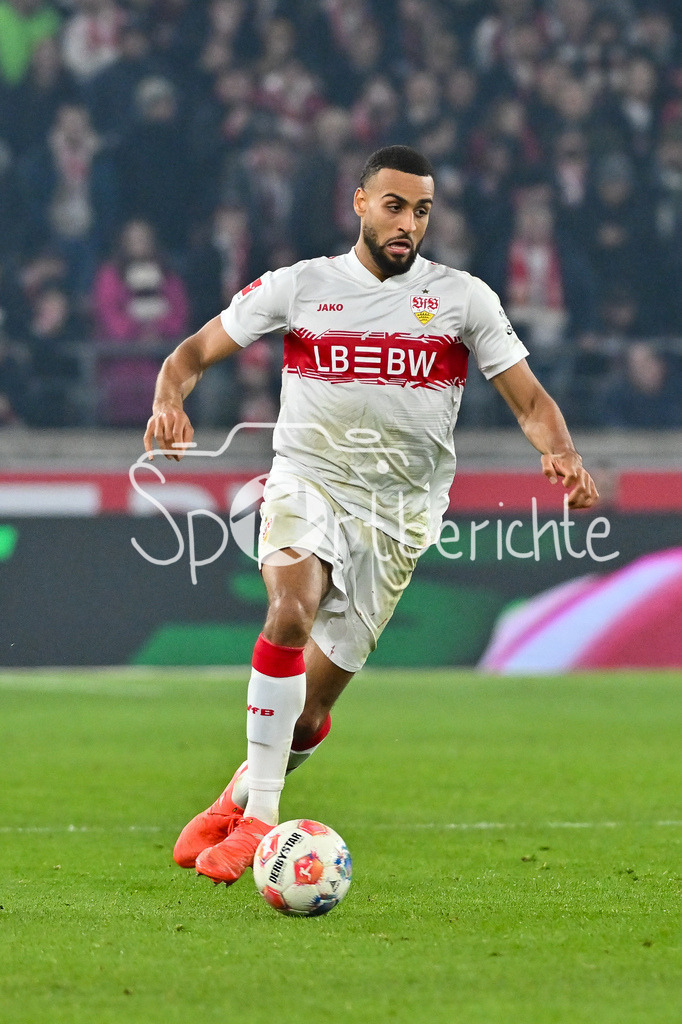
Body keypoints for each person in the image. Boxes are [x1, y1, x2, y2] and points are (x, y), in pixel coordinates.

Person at [144, 145, 598, 888]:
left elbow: (530, 401)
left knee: (309, 713)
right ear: (359, 203)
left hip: (397, 519)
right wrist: (170, 400)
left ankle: (233, 797)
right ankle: (261, 816)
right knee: (289, 611)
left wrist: (563, 454)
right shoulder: (302, 286)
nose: (407, 224)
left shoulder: (463, 299)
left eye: (421, 211)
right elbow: (191, 352)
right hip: (307, 480)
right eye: (394, 206)